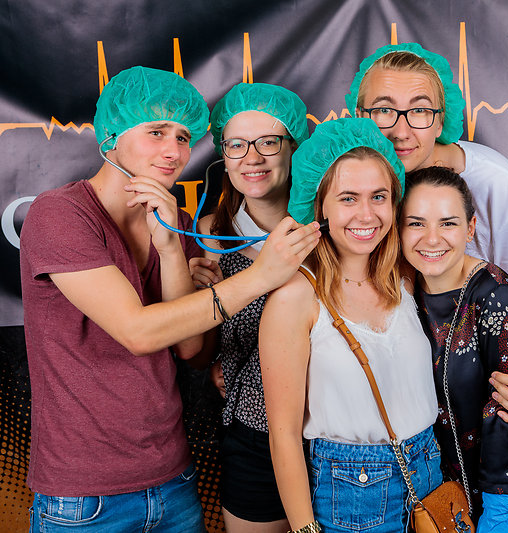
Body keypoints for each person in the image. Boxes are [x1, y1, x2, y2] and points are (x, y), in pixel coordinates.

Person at [19, 66, 320, 532]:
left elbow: (191, 350)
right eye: (156, 132)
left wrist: (171, 252)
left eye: (182, 137)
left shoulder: (174, 221)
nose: (174, 151)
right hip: (84, 496)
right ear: (112, 134)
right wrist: (262, 276)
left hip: (173, 480)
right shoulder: (60, 214)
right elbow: (139, 332)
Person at [346, 43, 508, 422]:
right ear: (360, 116)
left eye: (419, 111)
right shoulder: (349, 187)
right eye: (383, 110)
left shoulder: (498, 185)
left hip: (477, 406)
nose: (400, 131)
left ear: (440, 119)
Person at [260, 118, 443, 533]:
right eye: (348, 198)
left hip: (429, 473)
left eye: (379, 197)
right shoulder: (294, 298)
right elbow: (283, 435)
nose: (366, 214)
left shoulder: (407, 276)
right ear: (319, 206)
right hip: (352, 492)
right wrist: (305, 529)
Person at [400, 166, 508, 532]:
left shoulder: (496, 297)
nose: (431, 238)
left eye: (448, 223)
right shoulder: (404, 292)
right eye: (416, 223)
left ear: (470, 228)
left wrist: (498, 513)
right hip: (451, 487)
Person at [188, 82, 310, 533]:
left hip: (336, 438)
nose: (252, 157)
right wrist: (201, 304)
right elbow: (198, 354)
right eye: (237, 145)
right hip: (254, 437)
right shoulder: (211, 236)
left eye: (268, 142)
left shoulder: (335, 225)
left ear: (293, 146)